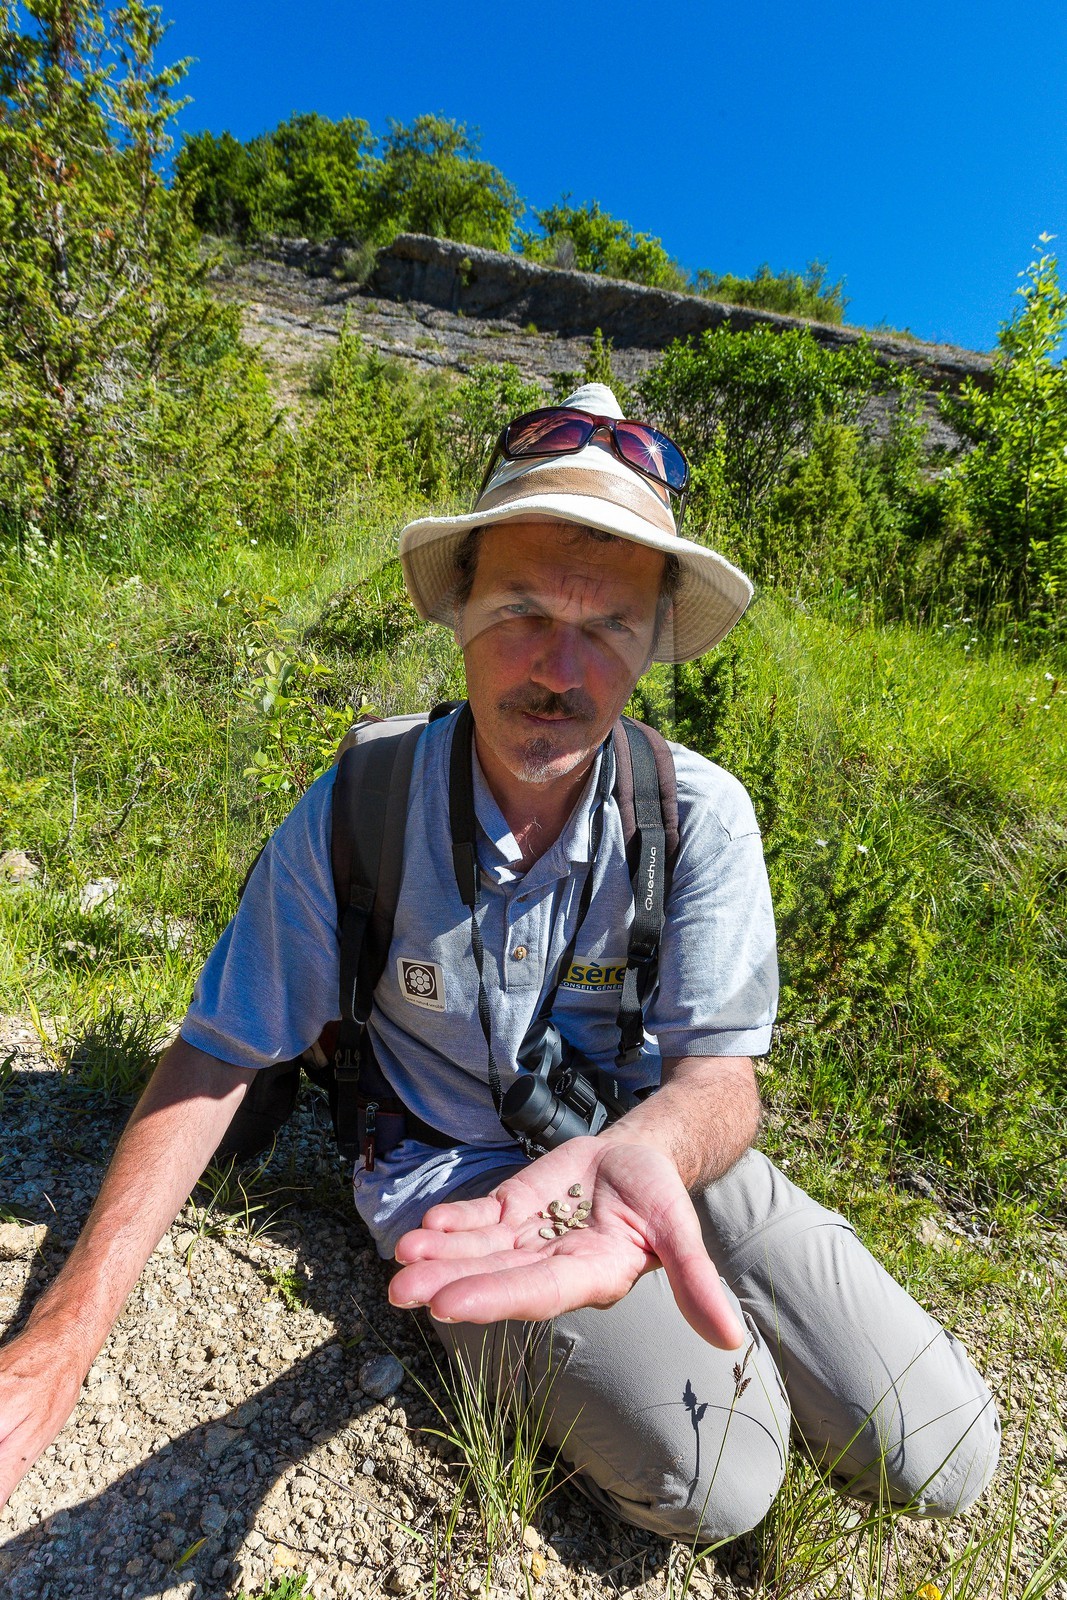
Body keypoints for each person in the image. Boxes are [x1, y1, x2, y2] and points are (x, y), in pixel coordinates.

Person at [0, 384, 999, 1542]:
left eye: (609, 626)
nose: (559, 670)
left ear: (651, 645)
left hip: (653, 1150)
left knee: (940, 1450)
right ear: (459, 609)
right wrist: (57, 1342)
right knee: (723, 1478)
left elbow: (719, 1080)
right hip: (454, 1174)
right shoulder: (360, 805)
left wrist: (645, 1152)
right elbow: (217, 1052)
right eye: (522, 609)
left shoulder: (698, 816)